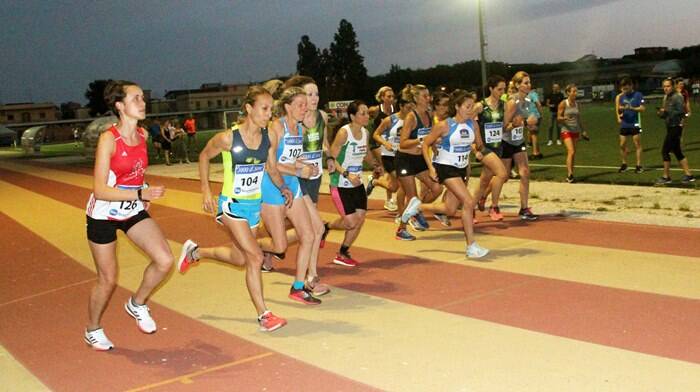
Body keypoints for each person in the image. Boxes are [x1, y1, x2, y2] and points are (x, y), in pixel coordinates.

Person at [178, 85, 292, 331]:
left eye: (271, 109)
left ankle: (195, 253)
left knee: (241, 258)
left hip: (253, 207)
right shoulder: (228, 138)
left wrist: (283, 188)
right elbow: (204, 156)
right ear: (249, 109)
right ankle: (264, 316)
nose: (268, 114)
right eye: (264, 109)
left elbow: (271, 168)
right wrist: (206, 190)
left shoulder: (268, 138)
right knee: (255, 257)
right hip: (231, 206)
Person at [83, 80, 173, 350]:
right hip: (103, 215)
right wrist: (139, 195)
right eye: (136, 99)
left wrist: (142, 189)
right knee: (108, 279)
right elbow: (100, 189)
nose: (143, 103)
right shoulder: (108, 139)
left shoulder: (143, 136)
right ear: (120, 106)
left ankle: (137, 303)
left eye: (143, 97)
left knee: (165, 260)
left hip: (131, 208)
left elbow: (133, 173)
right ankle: (93, 328)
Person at [422, 90, 489, 259]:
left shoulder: (473, 124)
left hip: (460, 168)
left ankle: (417, 206)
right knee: (468, 201)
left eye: (472, 106)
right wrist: (430, 168)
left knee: (449, 209)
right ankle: (471, 246)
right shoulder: (445, 125)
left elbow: (479, 145)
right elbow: (425, 144)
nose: (470, 109)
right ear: (457, 107)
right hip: (445, 166)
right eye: (467, 106)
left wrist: (479, 152)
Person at [280, 75, 331, 296]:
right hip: (297, 180)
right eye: (309, 94)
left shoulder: (322, 117)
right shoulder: (294, 122)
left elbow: (324, 141)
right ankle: (310, 277)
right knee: (316, 228)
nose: (314, 98)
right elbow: (285, 156)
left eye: (317, 94)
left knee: (297, 233)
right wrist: (301, 167)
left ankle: (264, 249)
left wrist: (328, 158)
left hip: (313, 178)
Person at [327, 100, 383, 266]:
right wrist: (346, 173)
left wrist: (374, 165)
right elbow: (331, 158)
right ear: (352, 116)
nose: (367, 116)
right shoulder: (344, 133)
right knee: (350, 222)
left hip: (357, 183)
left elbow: (365, 152)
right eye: (363, 113)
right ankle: (326, 227)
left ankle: (343, 252)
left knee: (360, 219)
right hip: (340, 183)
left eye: (368, 113)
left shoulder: (365, 132)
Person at [394, 84, 442, 240]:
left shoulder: (429, 115)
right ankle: (401, 229)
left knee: (436, 188)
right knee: (413, 198)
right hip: (405, 160)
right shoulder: (411, 117)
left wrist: (434, 147)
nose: (428, 99)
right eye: (425, 96)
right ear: (416, 99)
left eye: (429, 95)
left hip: (419, 159)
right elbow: (403, 143)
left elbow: (431, 135)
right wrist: (420, 140)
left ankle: (416, 211)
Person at [370, 92, 413, 220]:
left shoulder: (412, 121)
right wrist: (385, 143)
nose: (410, 110)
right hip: (389, 157)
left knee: (394, 187)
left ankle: (375, 181)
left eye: (412, 108)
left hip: (403, 157)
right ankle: (401, 214)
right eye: (408, 108)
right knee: (403, 185)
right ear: (401, 106)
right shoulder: (391, 120)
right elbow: (376, 134)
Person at [473, 75, 509, 221]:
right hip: (485, 147)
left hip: (497, 146)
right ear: (491, 89)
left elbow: (504, 127)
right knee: (502, 174)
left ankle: (471, 208)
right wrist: (476, 148)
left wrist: (517, 124)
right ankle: (494, 207)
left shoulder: (503, 105)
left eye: (504, 89)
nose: (502, 92)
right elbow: (471, 125)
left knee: (484, 180)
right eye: (499, 89)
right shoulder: (480, 106)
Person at [503, 72, 538, 220]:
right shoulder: (512, 102)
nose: (528, 85)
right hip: (506, 141)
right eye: (525, 82)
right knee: (502, 176)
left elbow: (529, 125)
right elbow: (503, 127)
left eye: (529, 82)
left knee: (525, 172)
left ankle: (524, 208)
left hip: (518, 142)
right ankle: (483, 197)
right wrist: (521, 123)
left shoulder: (529, 101)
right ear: (517, 85)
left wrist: (531, 125)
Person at [655, 78, 695, 185]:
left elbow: (681, 112)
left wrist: (666, 112)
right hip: (670, 127)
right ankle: (689, 175)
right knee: (677, 152)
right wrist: (661, 114)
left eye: (668, 86)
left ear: (672, 86)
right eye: (664, 86)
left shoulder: (677, 97)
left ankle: (666, 177)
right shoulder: (666, 97)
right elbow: (666, 115)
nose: (666, 88)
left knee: (665, 151)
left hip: (676, 127)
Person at [368, 86, 398, 212]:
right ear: (381, 98)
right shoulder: (375, 110)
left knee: (388, 170)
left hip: (390, 143)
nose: (391, 99)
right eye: (388, 96)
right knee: (388, 170)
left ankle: (374, 179)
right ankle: (389, 200)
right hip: (377, 142)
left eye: (392, 96)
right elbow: (364, 118)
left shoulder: (395, 109)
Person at [615, 77, 644, 173]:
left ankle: (639, 165)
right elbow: (619, 108)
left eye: (626, 88)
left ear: (631, 86)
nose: (625, 91)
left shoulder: (638, 95)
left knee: (637, 144)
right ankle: (624, 164)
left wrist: (632, 108)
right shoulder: (622, 96)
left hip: (635, 123)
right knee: (622, 144)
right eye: (623, 88)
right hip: (625, 123)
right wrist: (621, 111)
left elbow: (643, 108)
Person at [558, 84, 585, 183]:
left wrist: (584, 131)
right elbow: (558, 117)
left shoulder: (577, 104)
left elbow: (579, 118)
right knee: (571, 151)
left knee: (573, 154)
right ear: (568, 93)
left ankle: (571, 174)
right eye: (573, 91)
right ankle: (569, 174)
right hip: (566, 130)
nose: (575, 93)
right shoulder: (563, 103)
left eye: (576, 91)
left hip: (575, 130)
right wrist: (563, 118)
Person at [526, 86, 543, 159]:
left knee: (533, 135)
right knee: (533, 134)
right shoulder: (529, 95)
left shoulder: (532, 94)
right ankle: (538, 152)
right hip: (532, 117)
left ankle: (535, 153)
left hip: (533, 116)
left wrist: (540, 113)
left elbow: (538, 103)